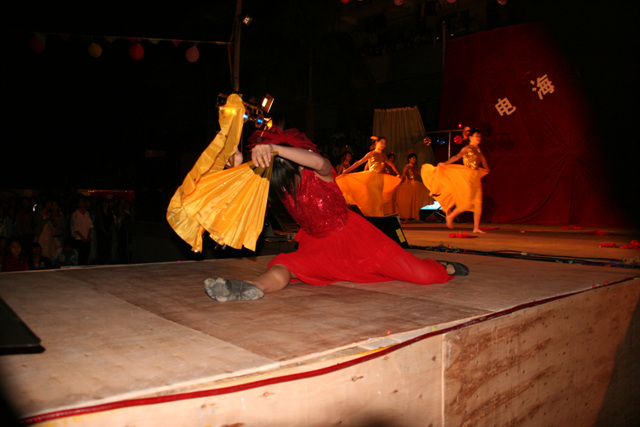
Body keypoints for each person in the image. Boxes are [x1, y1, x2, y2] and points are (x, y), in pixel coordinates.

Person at [203, 127, 468, 302]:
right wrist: (236, 164)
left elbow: (321, 162)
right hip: (317, 247)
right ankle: (251, 287)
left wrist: (275, 149)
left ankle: (437, 265)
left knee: (425, 276)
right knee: (284, 265)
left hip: (358, 240)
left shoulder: (319, 173)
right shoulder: (281, 187)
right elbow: (242, 188)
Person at [421, 128, 490, 233]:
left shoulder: (478, 149)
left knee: (478, 202)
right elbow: (457, 156)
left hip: (475, 176)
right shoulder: (467, 148)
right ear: (471, 137)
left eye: (479, 136)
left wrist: (487, 168)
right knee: (467, 201)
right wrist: (445, 163)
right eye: (477, 136)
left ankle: (476, 228)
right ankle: (451, 216)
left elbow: (483, 160)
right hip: (467, 176)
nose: (479, 138)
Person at [336, 137, 401, 217]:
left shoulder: (384, 156)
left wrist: (398, 173)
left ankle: (376, 217)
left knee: (378, 200)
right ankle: (376, 217)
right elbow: (359, 162)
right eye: (381, 142)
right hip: (372, 179)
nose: (383, 145)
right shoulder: (371, 154)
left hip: (380, 180)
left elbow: (391, 165)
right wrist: (347, 170)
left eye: (384, 143)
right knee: (376, 199)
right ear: (376, 143)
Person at [396, 152, 432, 223]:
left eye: (415, 158)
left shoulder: (415, 168)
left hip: (415, 185)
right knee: (408, 202)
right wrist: (398, 183)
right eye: (413, 158)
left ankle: (417, 217)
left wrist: (428, 178)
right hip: (408, 185)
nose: (415, 160)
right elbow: (403, 175)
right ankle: (406, 218)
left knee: (415, 202)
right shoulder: (407, 167)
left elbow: (421, 175)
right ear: (409, 159)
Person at [70, 197, 93, 264]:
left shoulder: (87, 213)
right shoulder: (75, 214)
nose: (82, 203)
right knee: (80, 257)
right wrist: (82, 237)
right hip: (79, 239)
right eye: (81, 202)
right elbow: (75, 228)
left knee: (86, 256)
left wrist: (88, 235)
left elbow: (90, 225)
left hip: (87, 238)